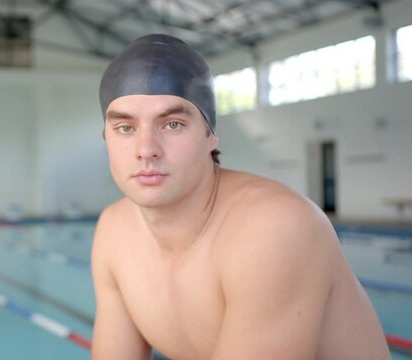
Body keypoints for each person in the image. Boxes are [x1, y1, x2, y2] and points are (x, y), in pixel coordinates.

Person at [91, 34, 390, 360]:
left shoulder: (274, 228)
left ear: (210, 135)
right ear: (106, 136)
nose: (146, 150)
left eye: (173, 124)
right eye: (125, 128)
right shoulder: (114, 231)